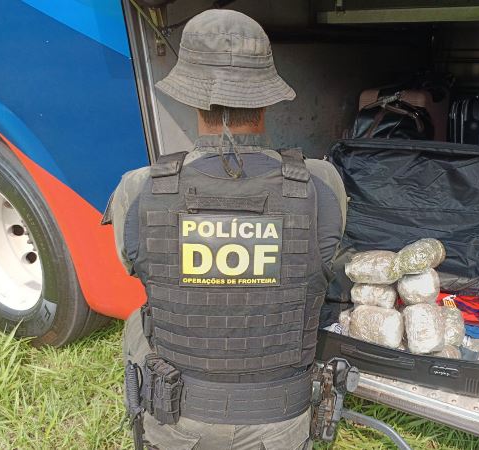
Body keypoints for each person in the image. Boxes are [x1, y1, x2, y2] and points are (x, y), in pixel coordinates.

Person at [102, 9, 347, 450]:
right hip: (282, 426)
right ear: (267, 98)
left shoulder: (137, 188)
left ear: (190, 97)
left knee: (137, 323)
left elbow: (133, 267)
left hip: (177, 420)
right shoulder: (322, 184)